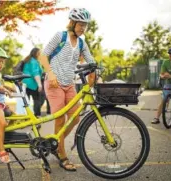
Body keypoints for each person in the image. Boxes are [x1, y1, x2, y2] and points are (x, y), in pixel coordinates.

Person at [40, 8, 95, 171]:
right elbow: (43, 55)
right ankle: (62, 156)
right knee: (60, 119)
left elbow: (91, 60)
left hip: (69, 84)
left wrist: (95, 70)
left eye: (85, 25)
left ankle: (55, 143)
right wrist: (50, 73)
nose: (83, 28)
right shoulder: (61, 36)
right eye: (80, 24)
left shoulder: (82, 43)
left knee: (75, 117)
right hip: (54, 83)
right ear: (72, 23)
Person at [152, 47, 171, 124]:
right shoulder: (166, 62)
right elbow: (162, 73)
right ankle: (156, 118)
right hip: (169, 83)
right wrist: (163, 76)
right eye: (170, 55)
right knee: (164, 100)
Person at [22, 47, 43, 117]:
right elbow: (35, 73)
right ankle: (37, 116)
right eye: (40, 53)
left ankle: (27, 116)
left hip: (25, 83)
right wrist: (39, 84)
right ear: (36, 54)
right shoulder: (34, 61)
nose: (41, 54)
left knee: (26, 101)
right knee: (37, 100)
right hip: (33, 84)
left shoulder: (27, 60)